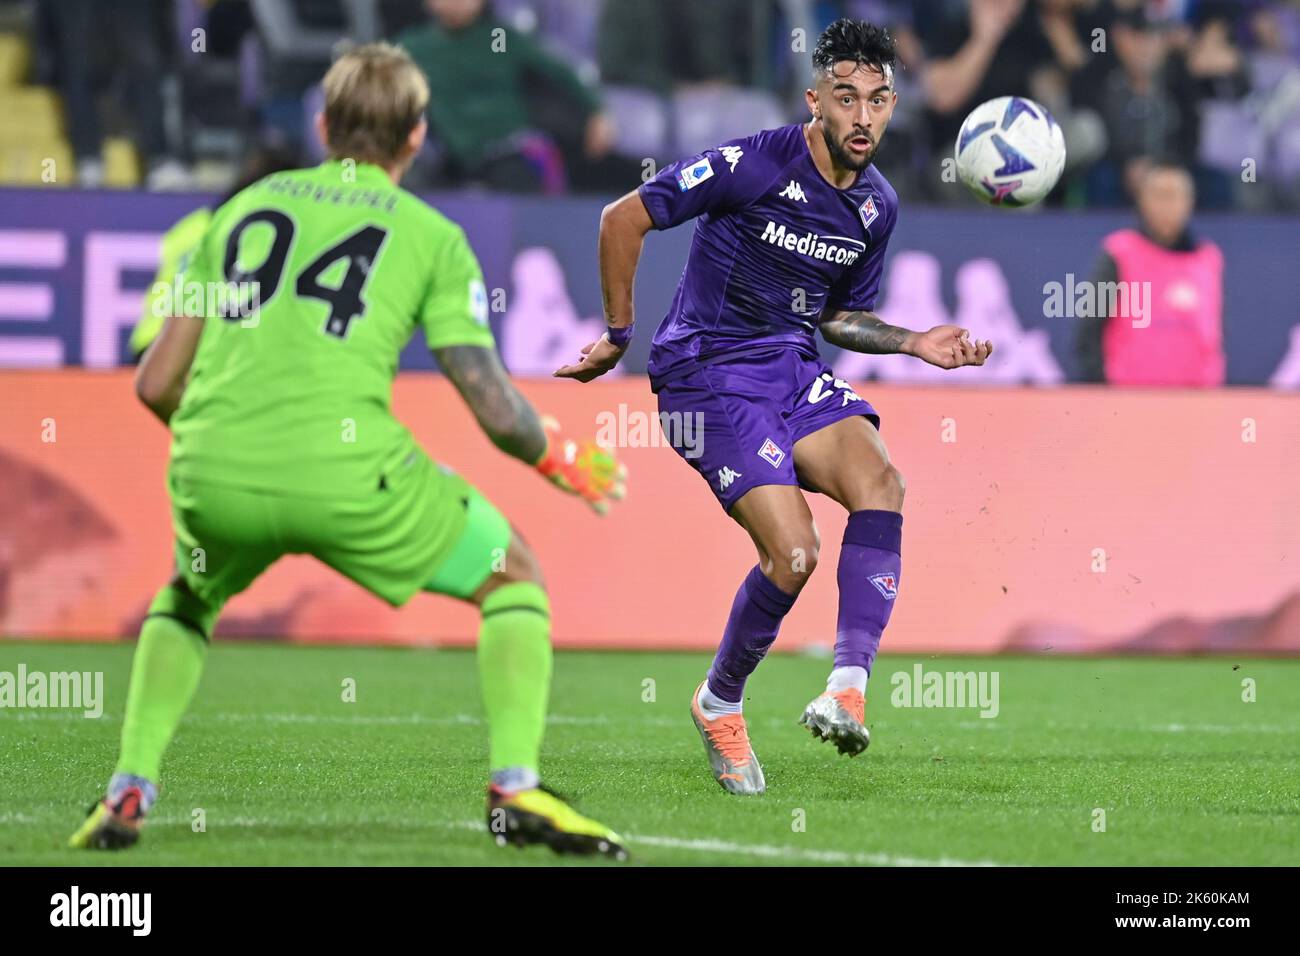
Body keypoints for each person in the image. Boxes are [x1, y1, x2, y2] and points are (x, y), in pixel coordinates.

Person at [69, 43, 628, 858]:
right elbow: (493, 404)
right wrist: (558, 458)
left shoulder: (237, 211)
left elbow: (154, 383)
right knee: (513, 573)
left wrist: (228, 448)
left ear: (323, 124)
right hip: (347, 475)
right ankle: (514, 788)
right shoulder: (433, 236)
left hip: (211, 470)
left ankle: (128, 790)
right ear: (416, 138)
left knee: (186, 600)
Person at [557, 19, 992, 795]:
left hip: (790, 367)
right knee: (794, 554)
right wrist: (618, 334)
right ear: (815, 98)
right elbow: (621, 218)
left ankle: (847, 687)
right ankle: (720, 701)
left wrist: (915, 340)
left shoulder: (876, 208)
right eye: (848, 97)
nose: (864, 117)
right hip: (706, 372)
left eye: (880, 100)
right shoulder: (753, 163)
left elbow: (839, 318)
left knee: (882, 486)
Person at [1075, 159, 1225, 386]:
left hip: (1196, 402)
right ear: (1142, 201)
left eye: (1174, 195)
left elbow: (1215, 333)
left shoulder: (1209, 259)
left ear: (1189, 202)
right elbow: (1088, 334)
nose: (1167, 205)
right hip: (1129, 401)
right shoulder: (1118, 253)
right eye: (1159, 195)